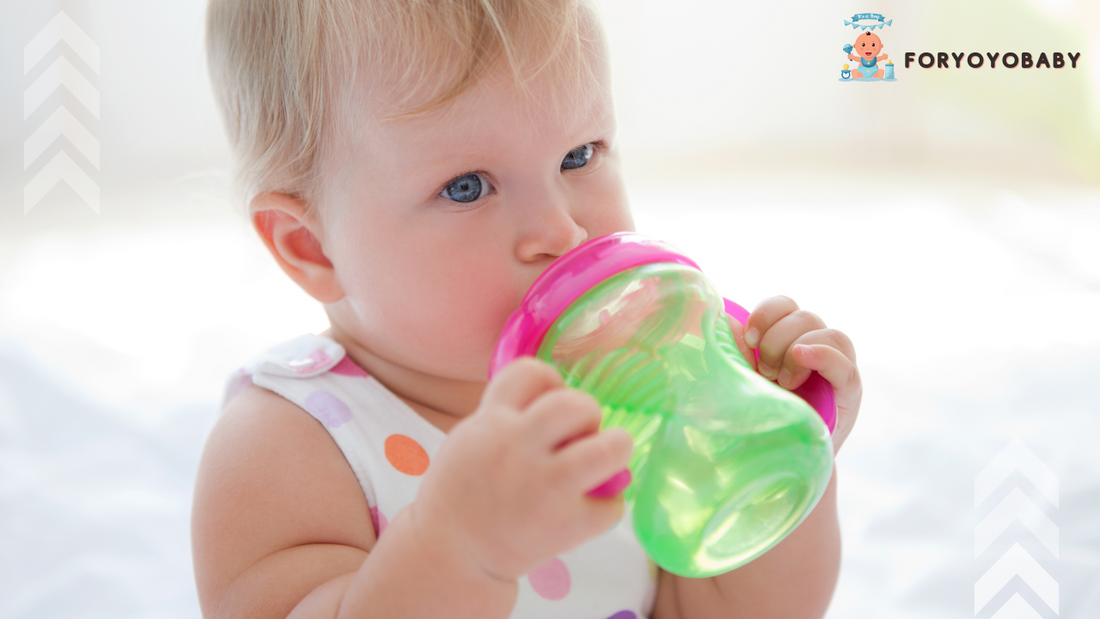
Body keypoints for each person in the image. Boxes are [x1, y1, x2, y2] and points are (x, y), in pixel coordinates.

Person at [191, 1, 863, 618]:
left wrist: (774, 462)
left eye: (579, 155)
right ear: (313, 247)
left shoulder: (636, 394)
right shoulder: (287, 443)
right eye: (466, 187)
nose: (562, 230)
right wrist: (458, 549)